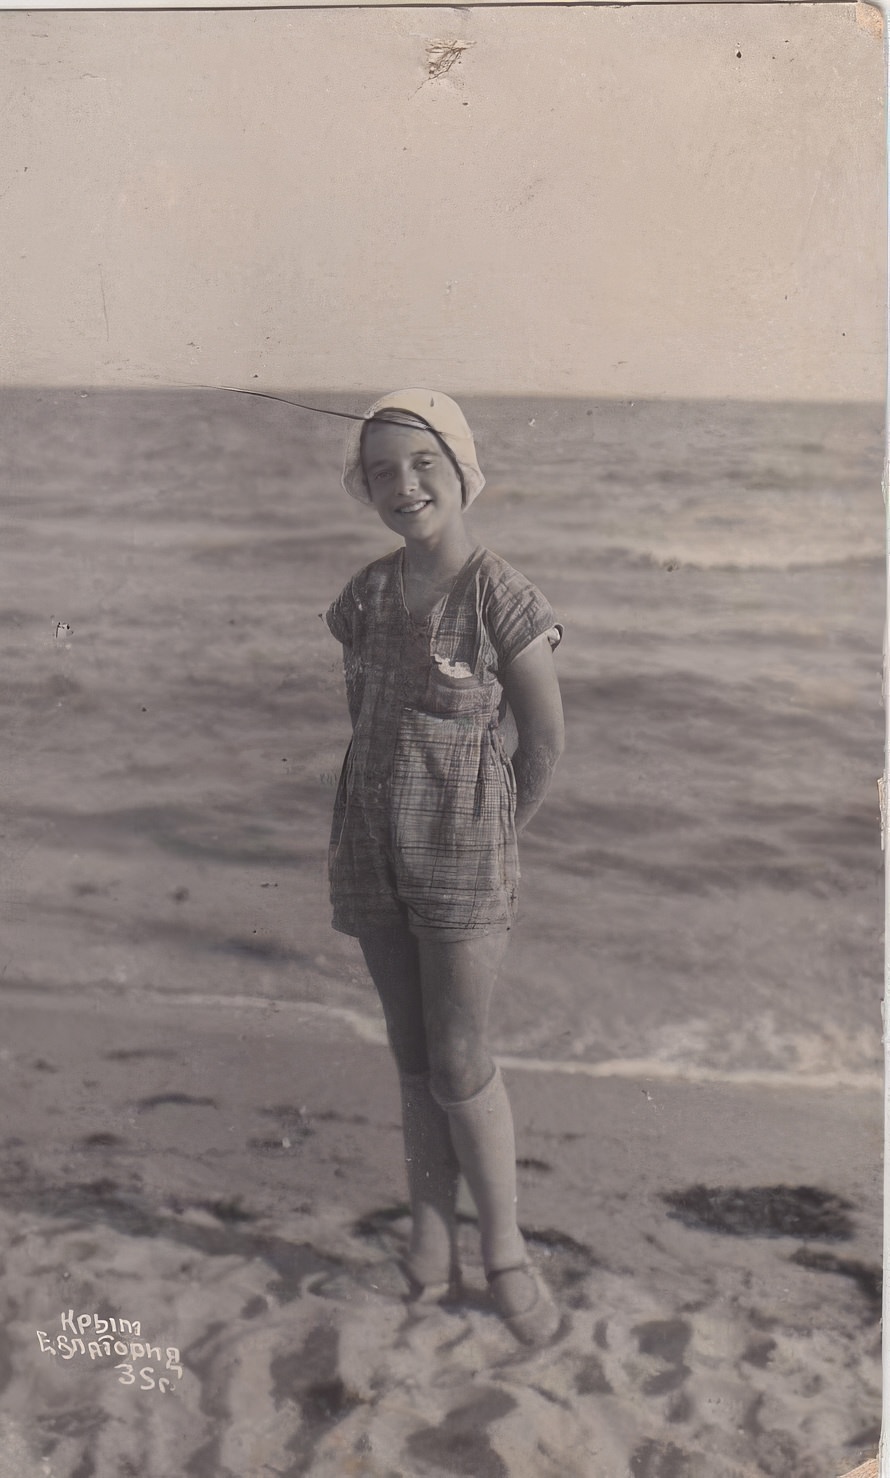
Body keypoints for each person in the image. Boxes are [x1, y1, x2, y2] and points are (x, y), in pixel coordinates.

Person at [323, 390, 565, 1345]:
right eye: (382, 470)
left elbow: (543, 743)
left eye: (422, 462)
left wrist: (491, 831)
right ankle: (430, 1246)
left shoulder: (502, 592)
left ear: (461, 470)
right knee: (413, 1057)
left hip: (466, 855)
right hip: (370, 846)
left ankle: (504, 1252)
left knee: (462, 1062)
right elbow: (364, 710)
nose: (403, 484)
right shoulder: (368, 593)